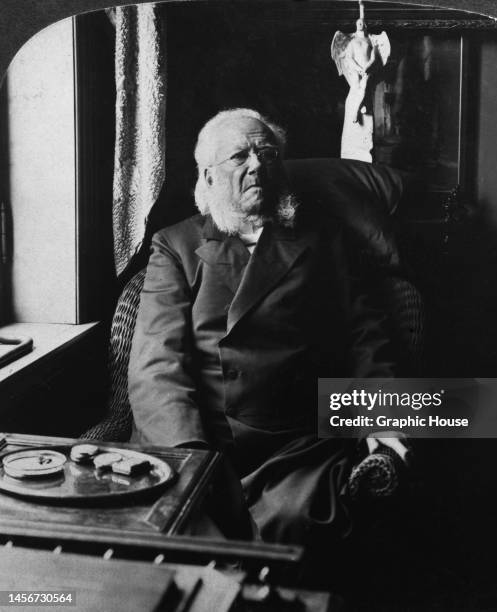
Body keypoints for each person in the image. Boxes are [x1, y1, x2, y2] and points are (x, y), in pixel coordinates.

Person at [128, 108, 403, 549]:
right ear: (209, 175)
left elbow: (365, 339)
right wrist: (189, 458)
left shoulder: (324, 239)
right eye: (239, 156)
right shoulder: (176, 245)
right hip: (200, 437)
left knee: (293, 524)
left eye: (268, 153)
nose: (257, 164)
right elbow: (157, 363)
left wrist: (388, 423)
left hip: (295, 446)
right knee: (182, 527)